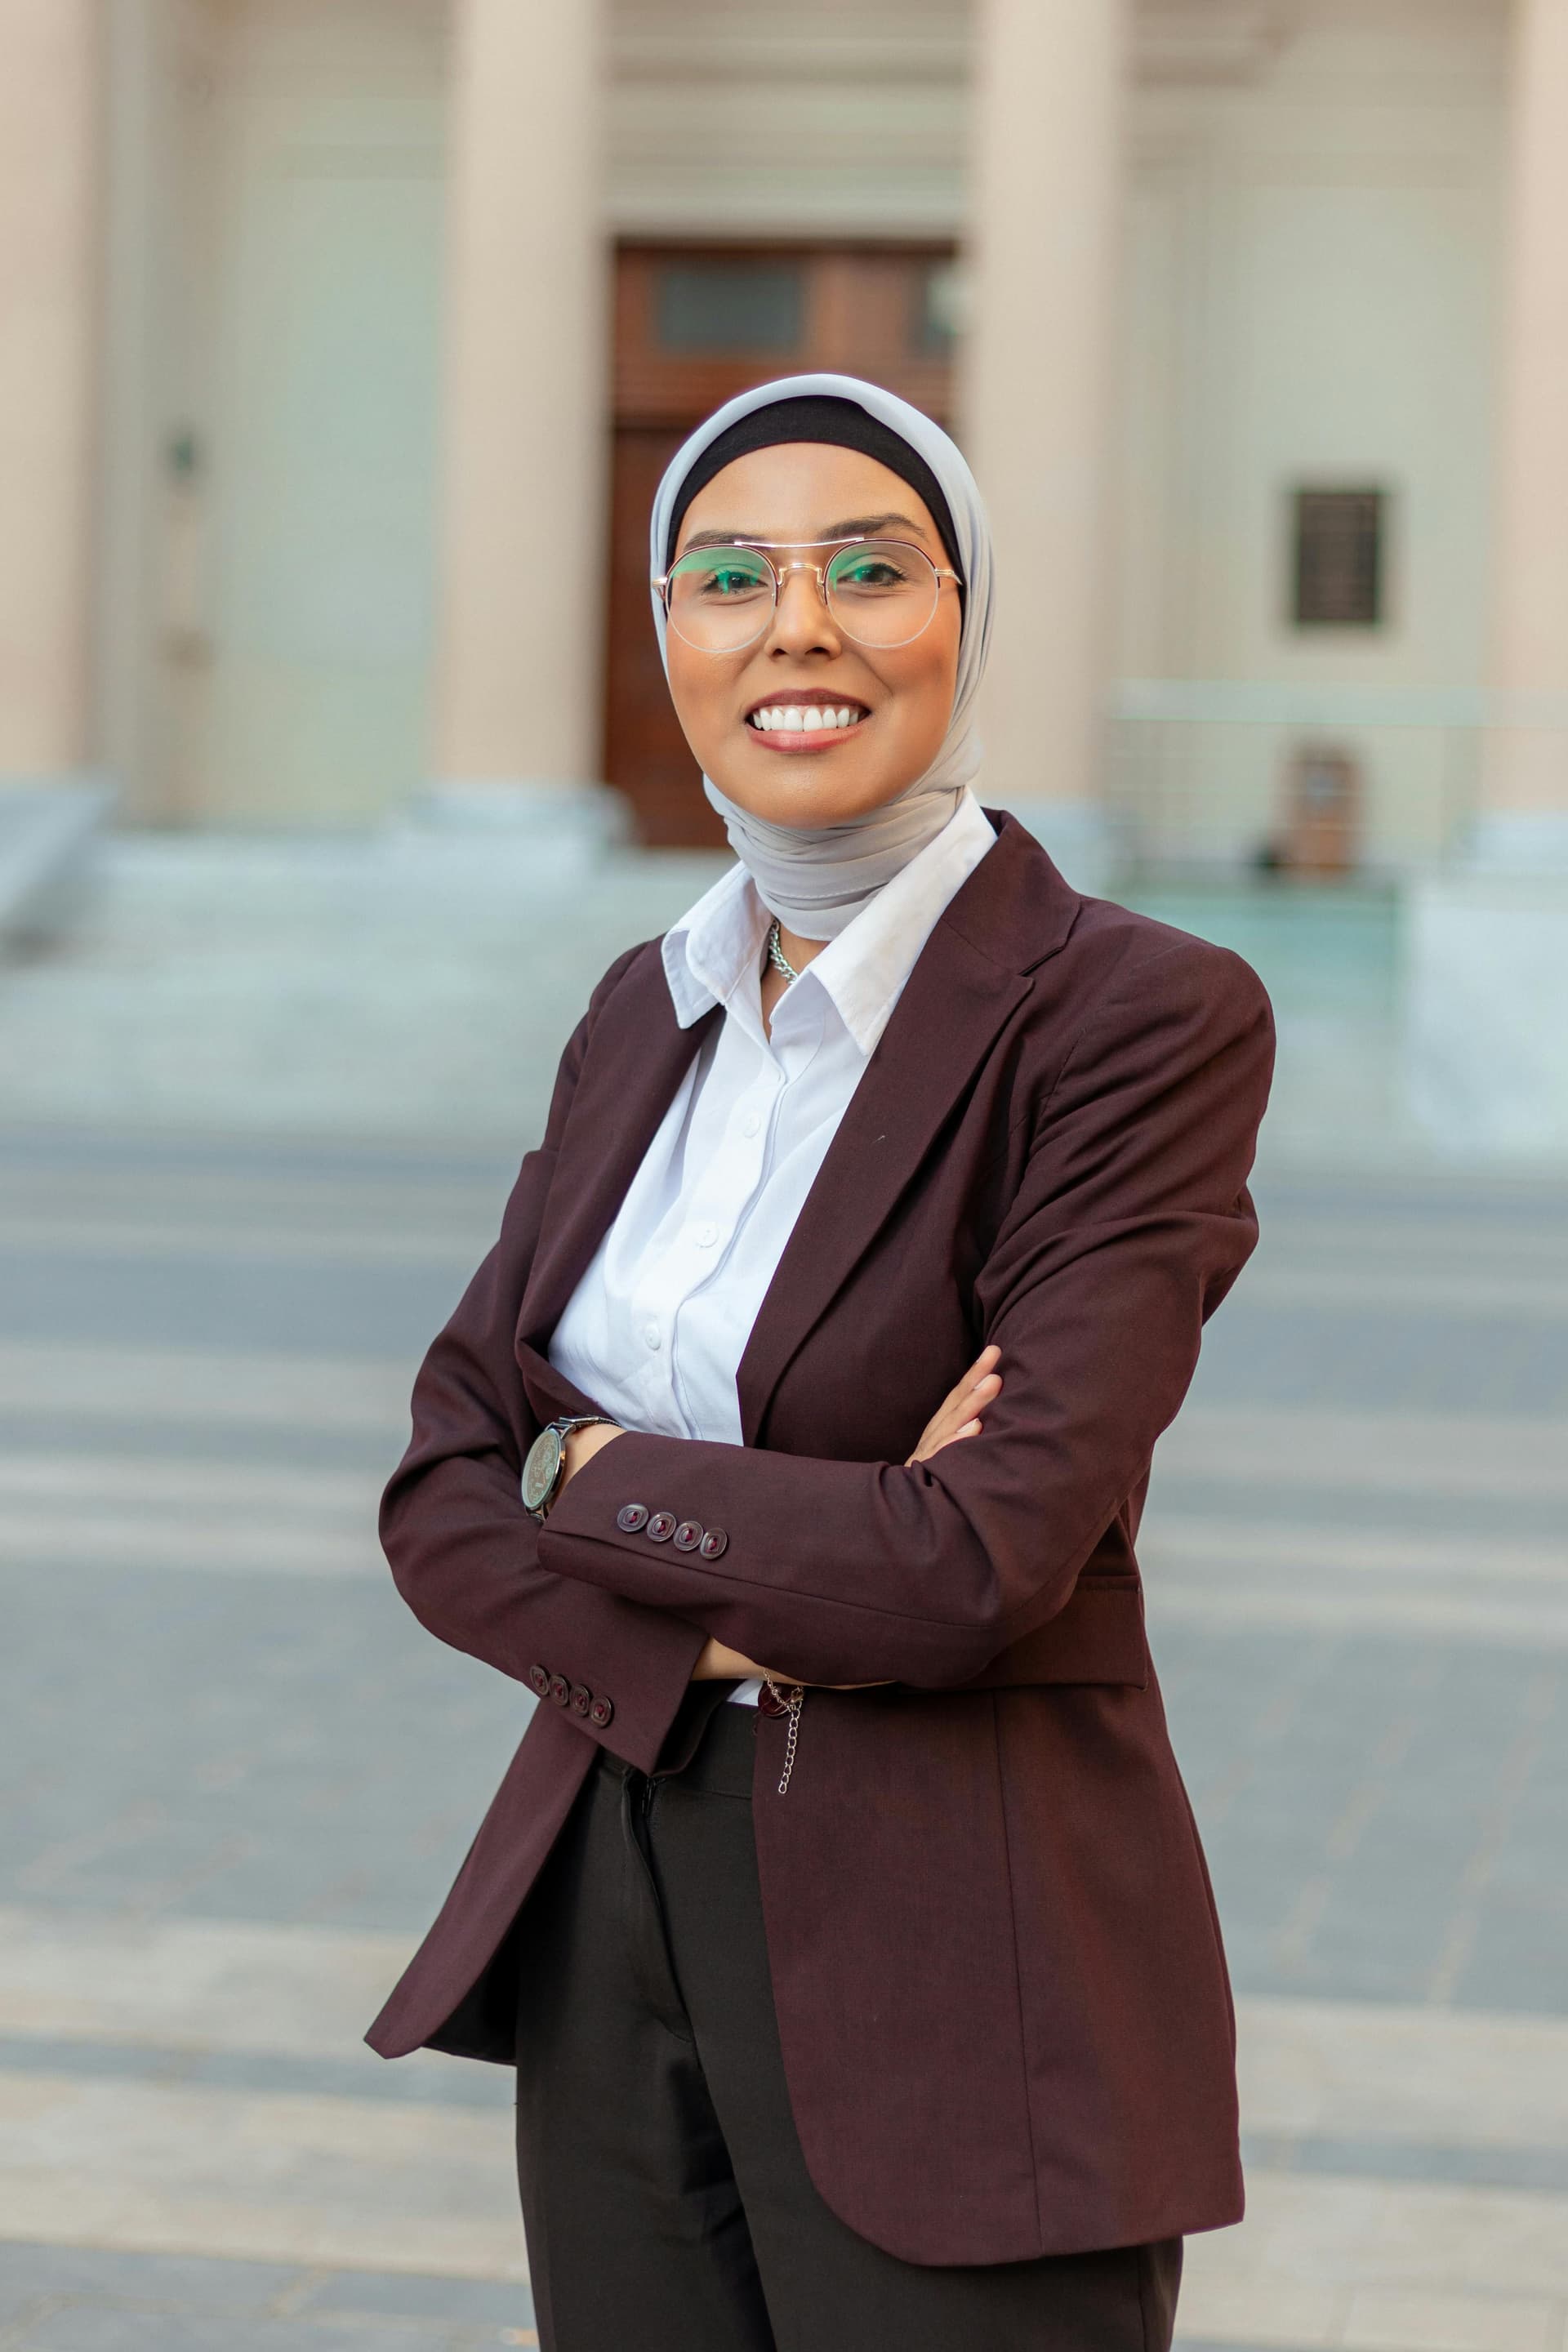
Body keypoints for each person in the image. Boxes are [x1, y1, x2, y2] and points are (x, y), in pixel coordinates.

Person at [367, 373, 1276, 2351]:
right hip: (608, 1905)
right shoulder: (645, 1008)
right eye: (730, 577)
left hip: (968, 1952)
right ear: (670, 633)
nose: (801, 627)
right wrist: (753, 1580)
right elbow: (441, 1481)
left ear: (965, 619)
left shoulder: (1129, 1018)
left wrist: (595, 1484)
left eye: (871, 567)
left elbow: (976, 1565)